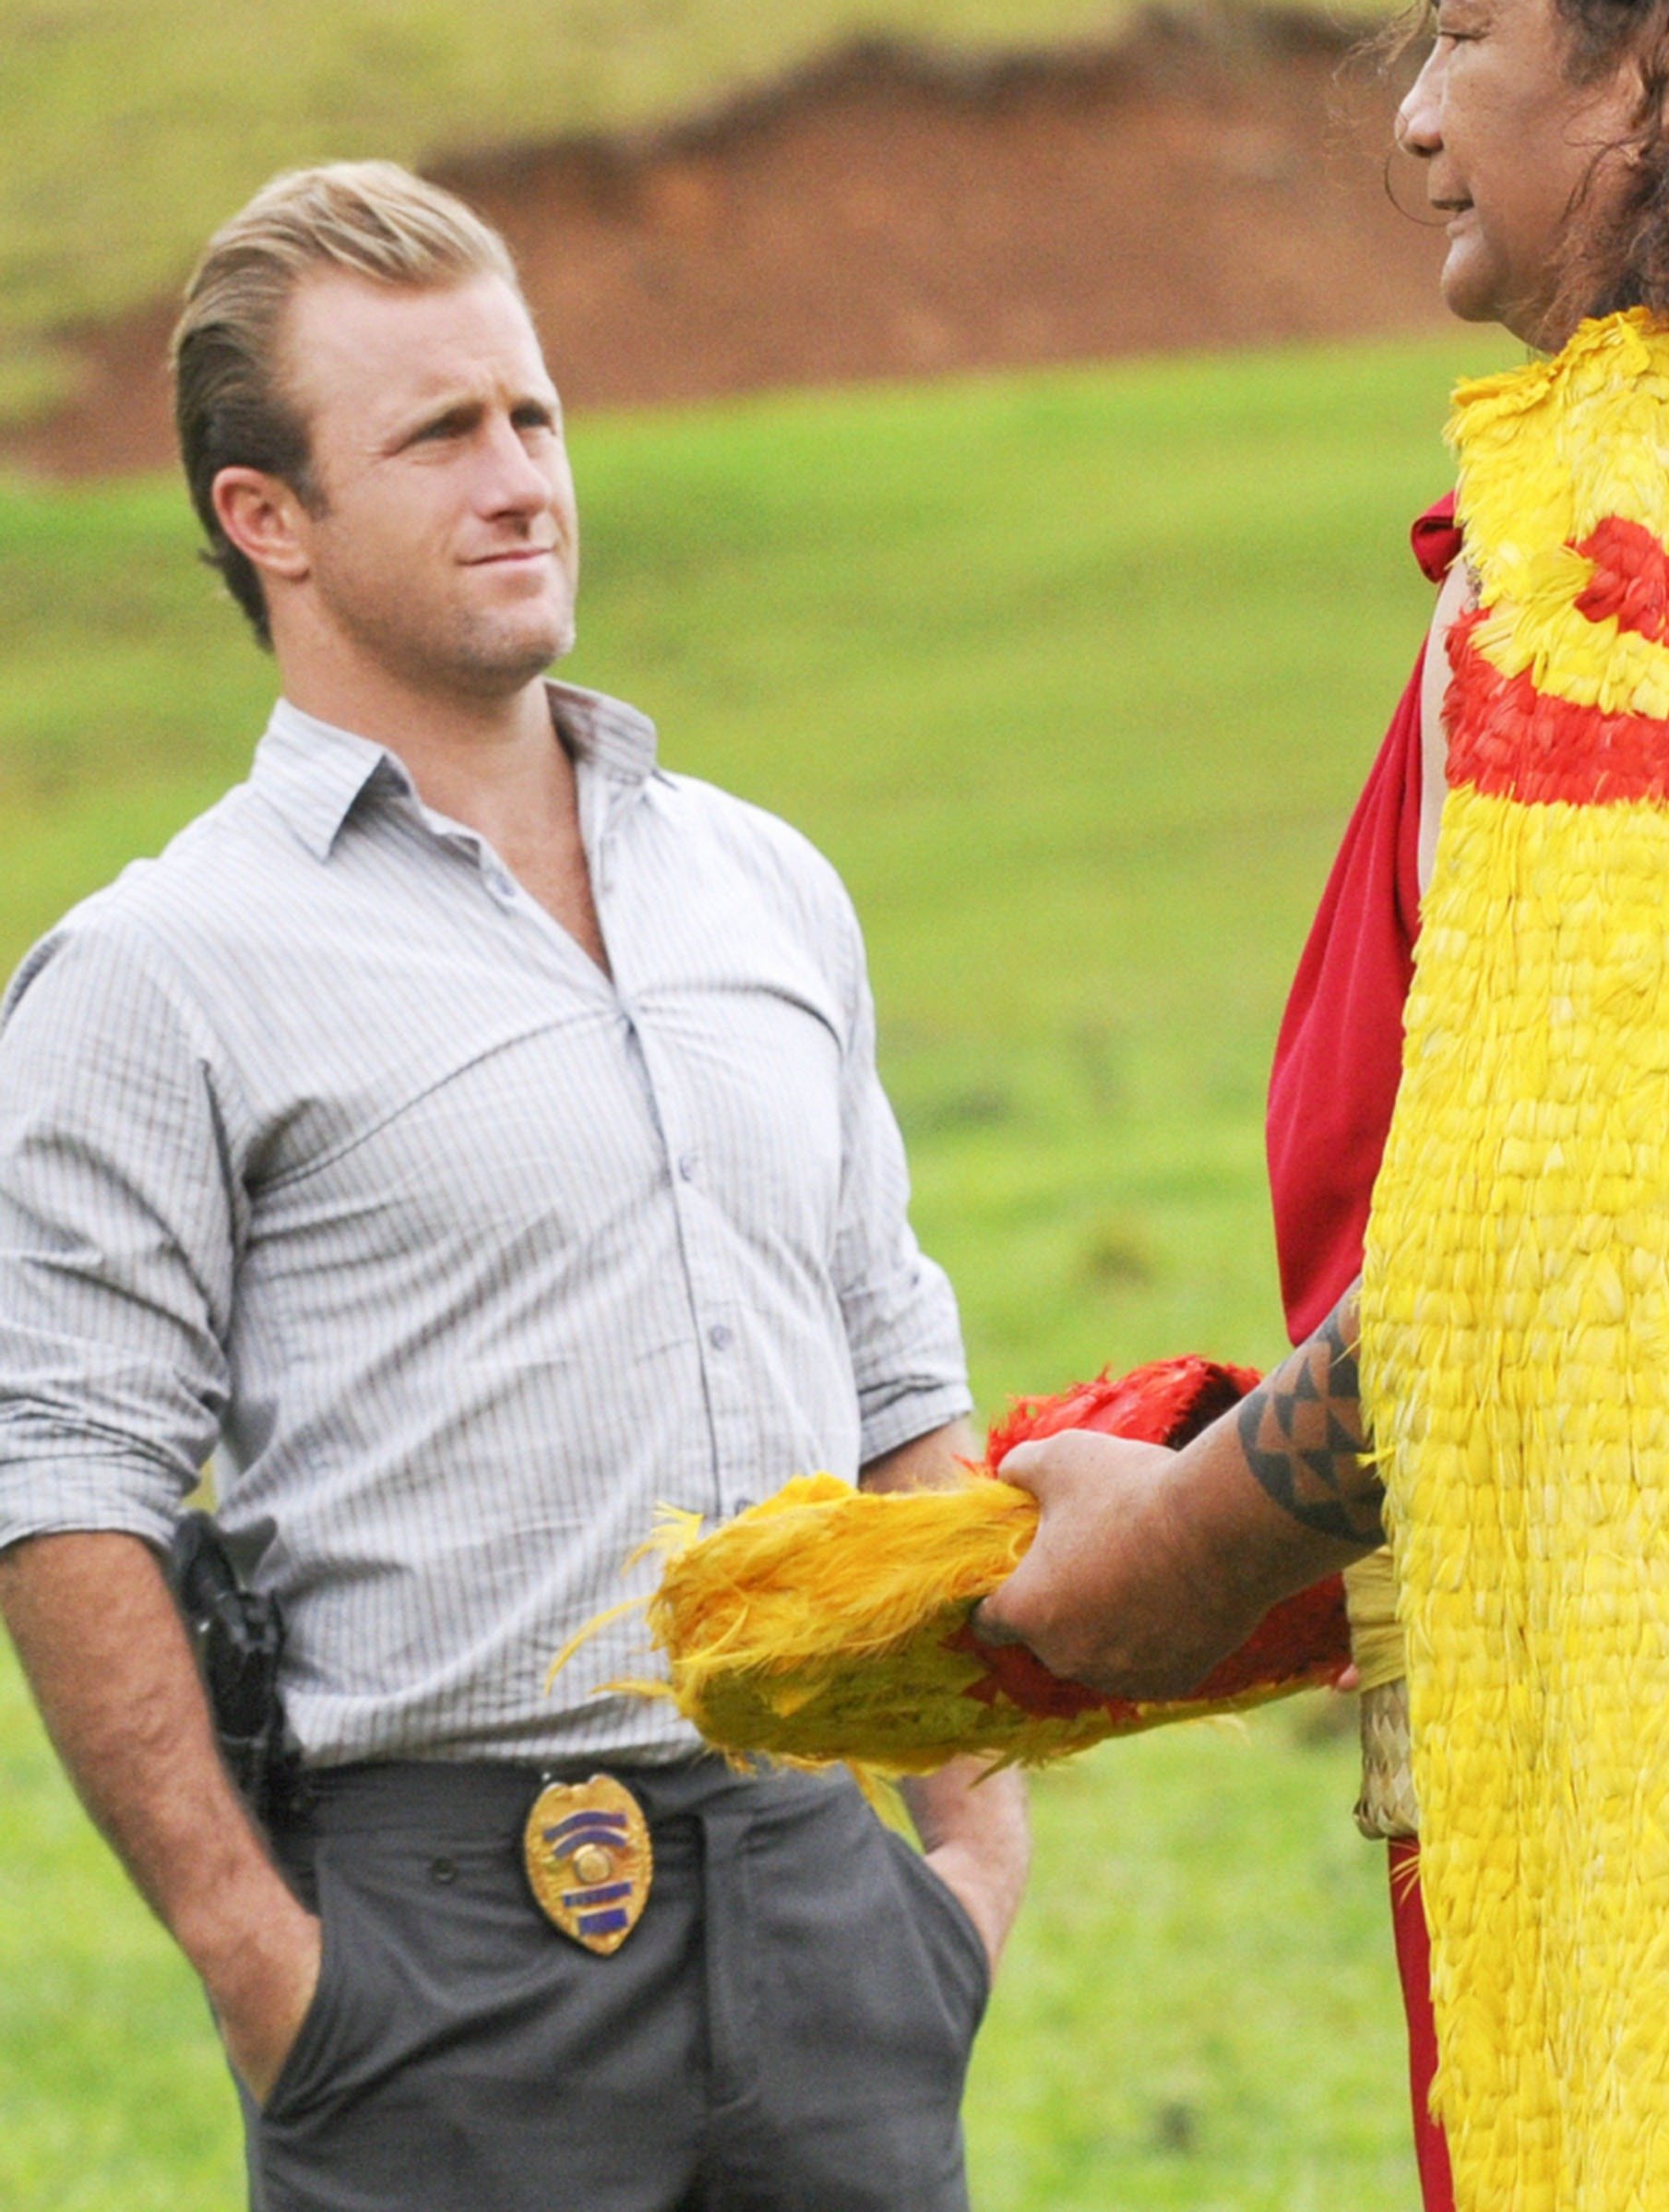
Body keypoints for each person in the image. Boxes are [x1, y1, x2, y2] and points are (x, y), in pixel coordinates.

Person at [980, 0, 1669, 2206]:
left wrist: (1198, 1541)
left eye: (1462, 38)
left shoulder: (1618, 607)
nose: (1414, 118)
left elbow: (1561, 1257)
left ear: (1663, 75)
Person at [0, 162, 1029, 2212]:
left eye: (533, 416)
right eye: (439, 434)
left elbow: (892, 1351)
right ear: (263, 519)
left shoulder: (763, 885)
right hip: (441, 1956)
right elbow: (65, 1481)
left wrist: (972, 1851)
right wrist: (259, 1958)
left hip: (827, 1899)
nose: (520, 478)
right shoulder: (157, 969)